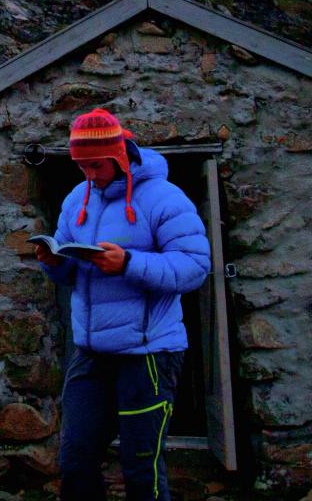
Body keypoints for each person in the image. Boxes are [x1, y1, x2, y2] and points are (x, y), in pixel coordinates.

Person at [34, 108, 211, 501]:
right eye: (81, 167)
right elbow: (71, 273)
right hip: (91, 353)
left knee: (140, 464)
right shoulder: (77, 198)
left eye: (96, 165)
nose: (89, 176)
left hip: (147, 353)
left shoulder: (164, 198)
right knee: (75, 459)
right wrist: (55, 264)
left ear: (118, 155)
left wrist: (128, 263)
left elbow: (196, 267)